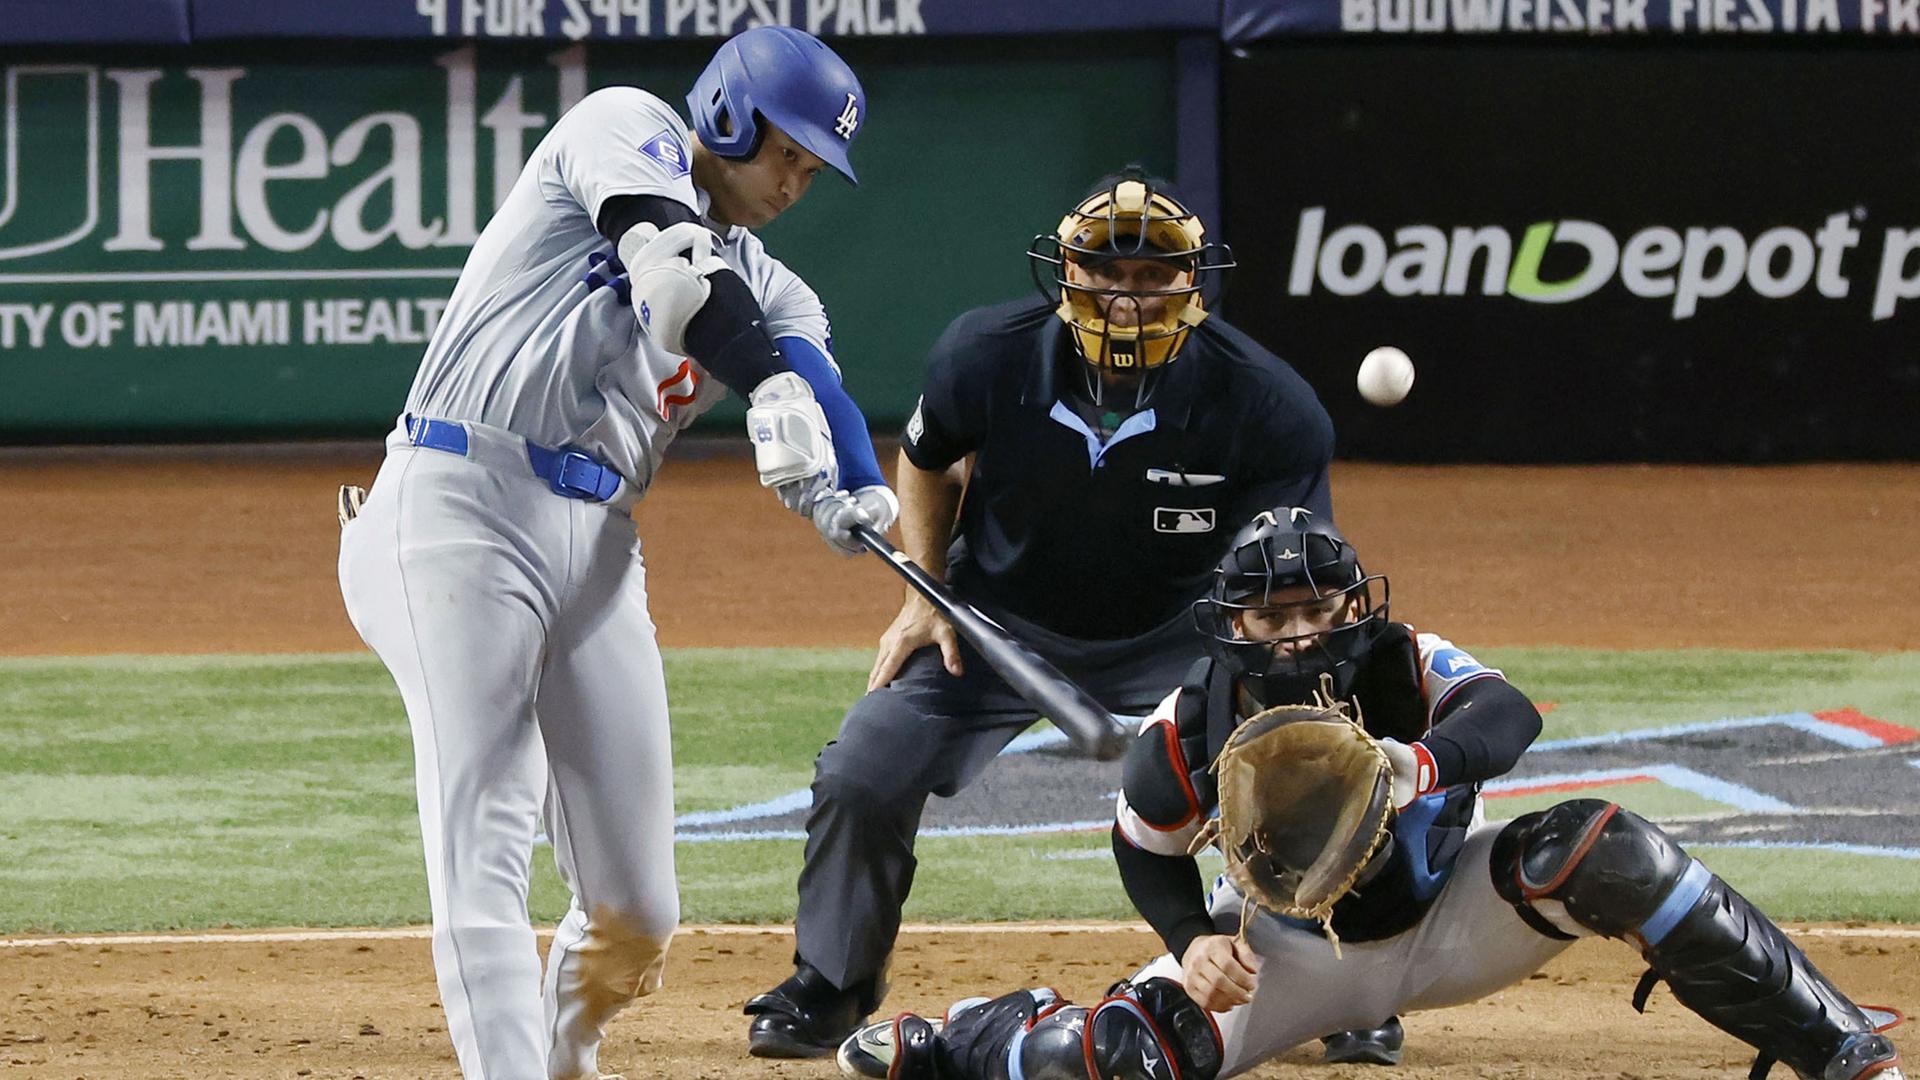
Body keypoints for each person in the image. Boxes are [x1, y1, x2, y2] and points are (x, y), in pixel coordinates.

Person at [831, 508, 1907, 1080]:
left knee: (1605, 847)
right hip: (1293, 957)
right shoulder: (1188, 728)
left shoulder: (1405, 660)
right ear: (1233, 625)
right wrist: (1185, 933)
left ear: (1354, 599)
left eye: (1316, 603)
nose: (1297, 628)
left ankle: (1839, 1042)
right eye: (1270, 613)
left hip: (1454, 918)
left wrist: (1419, 762)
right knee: (1120, 1054)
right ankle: (965, 1040)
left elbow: (1511, 713)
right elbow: (1142, 842)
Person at [336, 27, 896, 1080]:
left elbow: (818, 380)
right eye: (787, 152)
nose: (795, 182)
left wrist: (856, 487)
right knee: (484, 844)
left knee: (638, 910)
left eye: (814, 170)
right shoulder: (623, 129)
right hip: (458, 504)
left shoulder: (772, 289)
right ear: (729, 111)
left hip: (597, 548)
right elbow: (677, 282)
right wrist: (764, 386)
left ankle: (561, 1052)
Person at [745, 167, 1338, 1059]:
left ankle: (1338, 982)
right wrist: (922, 594)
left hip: (1183, 637)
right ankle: (830, 984)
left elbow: (1286, 567)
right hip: (997, 626)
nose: (1128, 296)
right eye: (1106, 272)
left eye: (1153, 274)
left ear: (1193, 282)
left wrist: (1249, 682)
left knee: (1305, 760)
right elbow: (928, 461)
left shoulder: (1266, 400)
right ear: (1066, 275)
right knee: (866, 767)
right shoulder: (983, 354)